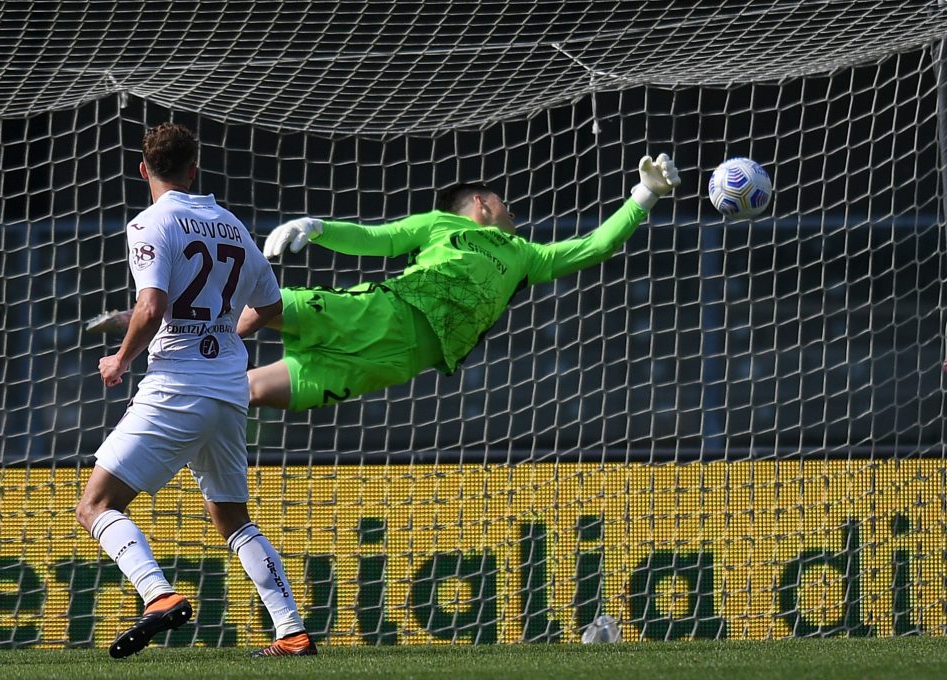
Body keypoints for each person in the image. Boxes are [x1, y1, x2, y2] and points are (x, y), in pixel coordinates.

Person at [87, 153, 681, 412]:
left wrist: (644, 196)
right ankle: (158, 325)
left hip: (395, 362)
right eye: (500, 200)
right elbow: (379, 239)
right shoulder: (443, 224)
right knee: (266, 308)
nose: (509, 207)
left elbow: (596, 246)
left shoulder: (527, 256)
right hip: (382, 312)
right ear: (480, 204)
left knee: (245, 393)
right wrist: (319, 228)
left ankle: (172, 386)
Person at [75, 122, 316, 659]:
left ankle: (157, 595)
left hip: (177, 385)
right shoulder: (233, 226)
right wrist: (224, 331)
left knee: (96, 505)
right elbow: (271, 306)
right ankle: (292, 631)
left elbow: (152, 306)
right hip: (228, 388)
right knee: (231, 517)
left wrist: (120, 359)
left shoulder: (151, 222)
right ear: (194, 169)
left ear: (144, 169)